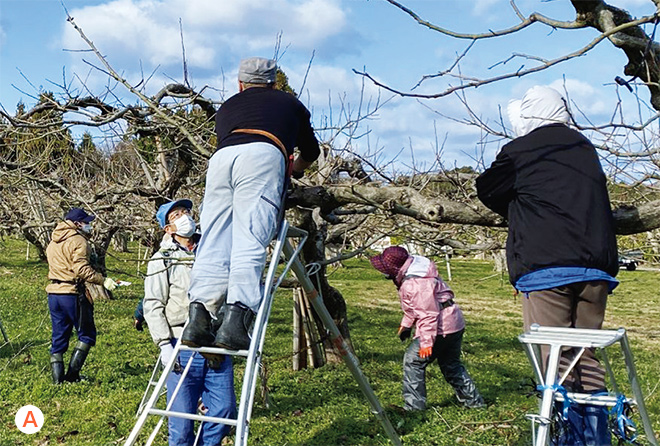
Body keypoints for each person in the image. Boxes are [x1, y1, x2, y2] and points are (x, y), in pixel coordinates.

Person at [476, 85, 619, 445]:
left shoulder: (520, 150)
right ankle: (596, 437)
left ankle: (566, 438)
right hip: (596, 270)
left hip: (546, 268)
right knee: (585, 354)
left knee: (554, 361)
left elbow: (487, 188)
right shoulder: (584, 147)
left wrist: (520, 206)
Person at [182, 57, 320, 351]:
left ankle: (199, 317)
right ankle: (236, 321)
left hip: (221, 160)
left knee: (214, 238)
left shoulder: (227, 107)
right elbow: (311, 150)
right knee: (250, 237)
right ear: (274, 83)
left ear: (240, 83)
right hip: (263, 154)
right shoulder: (290, 103)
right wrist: (296, 170)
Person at [143, 199, 236, 445]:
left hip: (216, 340)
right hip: (181, 343)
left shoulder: (212, 250)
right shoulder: (163, 259)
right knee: (181, 421)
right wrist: (164, 343)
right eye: (176, 215)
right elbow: (152, 303)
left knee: (225, 410)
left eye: (186, 212)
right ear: (168, 229)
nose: (184, 217)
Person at [370, 246, 485, 411]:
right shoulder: (418, 271)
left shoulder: (415, 283)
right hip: (454, 323)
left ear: (395, 269)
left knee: (413, 361)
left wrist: (426, 343)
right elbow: (413, 308)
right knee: (451, 364)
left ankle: (414, 407)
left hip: (440, 327)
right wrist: (406, 324)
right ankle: (474, 403)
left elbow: (428, 314)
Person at [46, 207, 116, 383]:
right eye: (87, 222)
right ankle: (72, 376)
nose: (89, 225)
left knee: (59, 335)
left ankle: (57, 381)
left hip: (54, 293)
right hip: (72, 293)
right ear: (77, 224)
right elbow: (81, 269)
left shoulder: (53, 241)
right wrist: (103, 280)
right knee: (86, 334)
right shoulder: (78, 241)